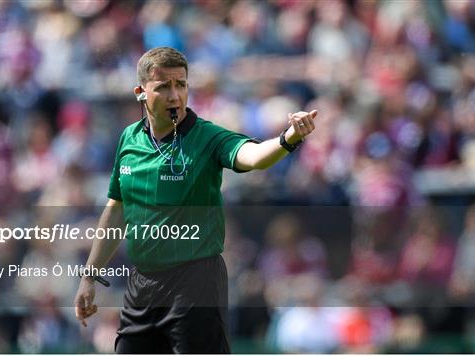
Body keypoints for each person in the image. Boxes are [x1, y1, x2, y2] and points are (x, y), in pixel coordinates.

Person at [73, 47, 317, 353]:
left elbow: (253, 157)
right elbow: (117, 208)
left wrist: (288, 138)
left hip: (196, 282)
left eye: (181, 85)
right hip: (143, 284)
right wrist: (90, 276)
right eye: (163, 87)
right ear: (140, 92)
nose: (175, 95)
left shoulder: (207, 137)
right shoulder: (129, 139)